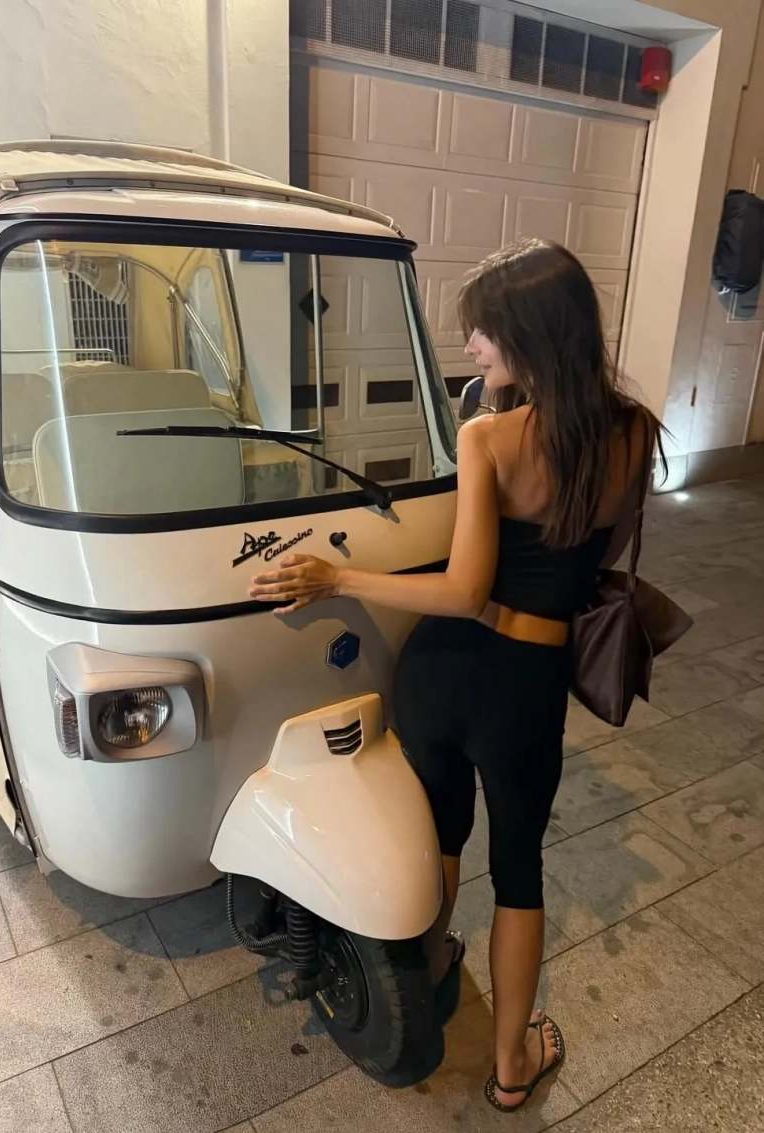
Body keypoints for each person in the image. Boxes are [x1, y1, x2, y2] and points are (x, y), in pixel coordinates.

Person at [249, 238, 664, 1112]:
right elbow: (596, 560)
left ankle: (430, 967)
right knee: (518, 869)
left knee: (439, 832)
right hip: (528, 685)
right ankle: (513, 1064)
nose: (471, 346)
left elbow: (465, 589)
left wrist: (338, 576)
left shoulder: (489, 437)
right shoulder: (636, 431)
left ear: (530, 336)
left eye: (483, 332)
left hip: (441, 674)